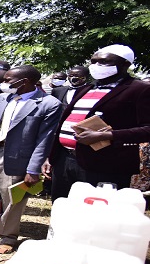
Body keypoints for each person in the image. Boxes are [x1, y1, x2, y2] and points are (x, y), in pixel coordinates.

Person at [0, 65, 62, 251]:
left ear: (24, 82)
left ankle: (7, 238)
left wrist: (33, 168)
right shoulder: (0, 99)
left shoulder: (48, 104)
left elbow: (44, 140)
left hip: (18, 157)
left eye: (7, 80)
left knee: (13, 199)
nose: (3, 84)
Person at [43, 44, 150, 199]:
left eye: (104, 62)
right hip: (65, 161)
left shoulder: (139, 89)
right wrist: (51, 157)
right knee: (62, 209)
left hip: (104, 165)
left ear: (125, 64)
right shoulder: (86, 89)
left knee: (94, 214)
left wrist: (107, 135)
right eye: (93, 62)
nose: (96, 66)